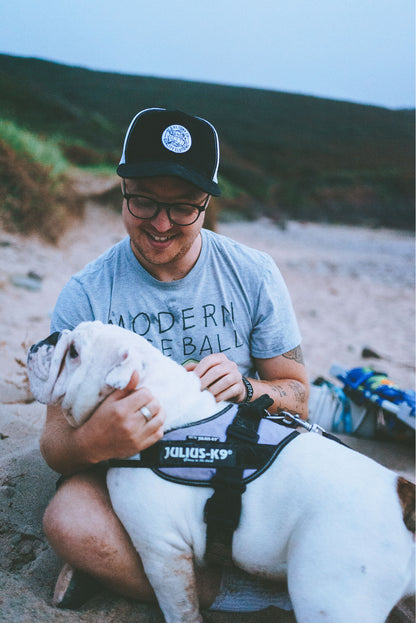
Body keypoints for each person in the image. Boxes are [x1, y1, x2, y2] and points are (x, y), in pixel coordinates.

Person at [40, 107, 309, 612]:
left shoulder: (253, 273)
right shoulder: (87, 295)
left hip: (234, 462)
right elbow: (54, 444)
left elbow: (297, 394)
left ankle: (129, 568)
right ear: (122, 191)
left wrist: (248, 388)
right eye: (143, 202)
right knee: (69, 521)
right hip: (132, 470)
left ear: (205, 203)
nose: (161, 224)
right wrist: (95, 439)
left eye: (183, 207)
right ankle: (227, 595)